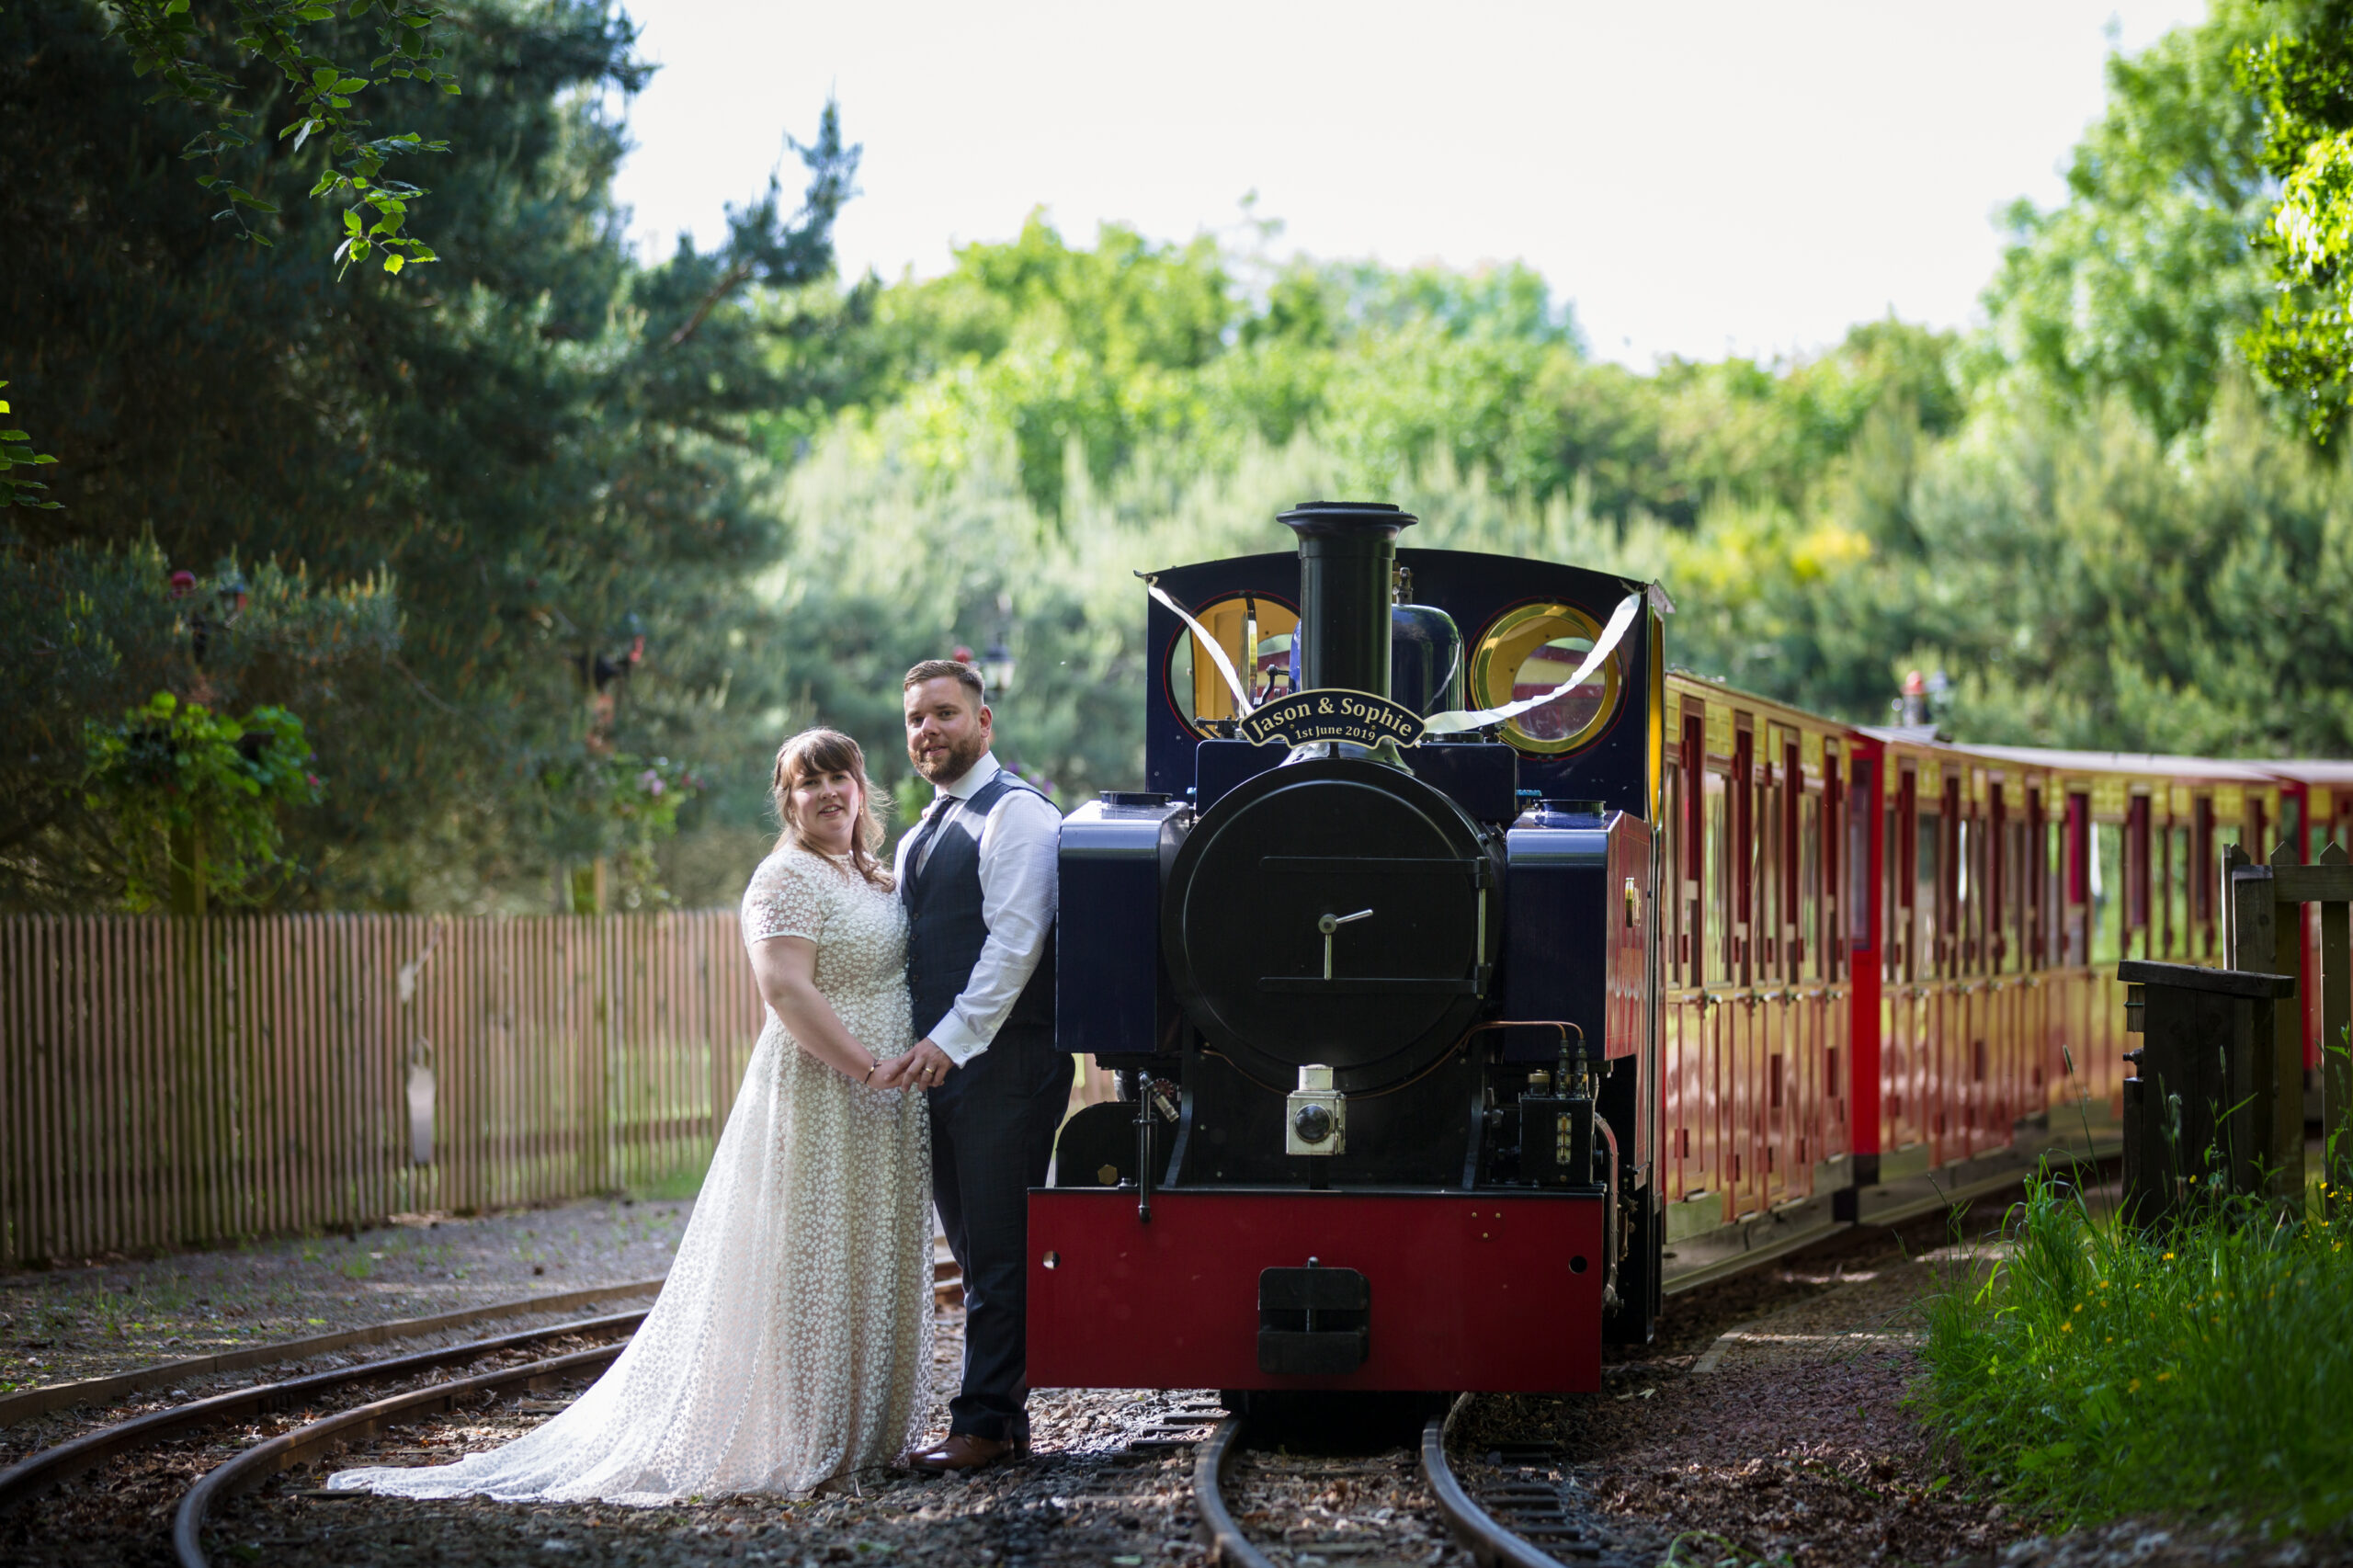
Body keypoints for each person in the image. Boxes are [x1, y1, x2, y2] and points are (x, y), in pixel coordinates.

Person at [328, 729, 933, 1503]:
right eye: (805, 783)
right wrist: (867, 1068)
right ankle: (812, 1438)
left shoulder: (873, 876)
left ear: (861, 786)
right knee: (812, 1259)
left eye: (836, 777)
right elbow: (785, 991)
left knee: (866, 1249)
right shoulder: (782, 880)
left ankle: (868, 1435)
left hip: (884, 1101)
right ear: (787, 800)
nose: (825, 793)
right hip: (828, 1088)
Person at [875, 659, 1066, 1472]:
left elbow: (1014, 946)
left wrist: (947, 1042)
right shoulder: (924, 829)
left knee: (997, 1254)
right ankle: (1002, 1420)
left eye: (945, 715)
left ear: (984, 724)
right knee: (977, 1249)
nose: (929, 731)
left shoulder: (1016, 816)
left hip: (1003, 1064)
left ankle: (984, 1424)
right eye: (917, 719)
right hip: (946, 1071)